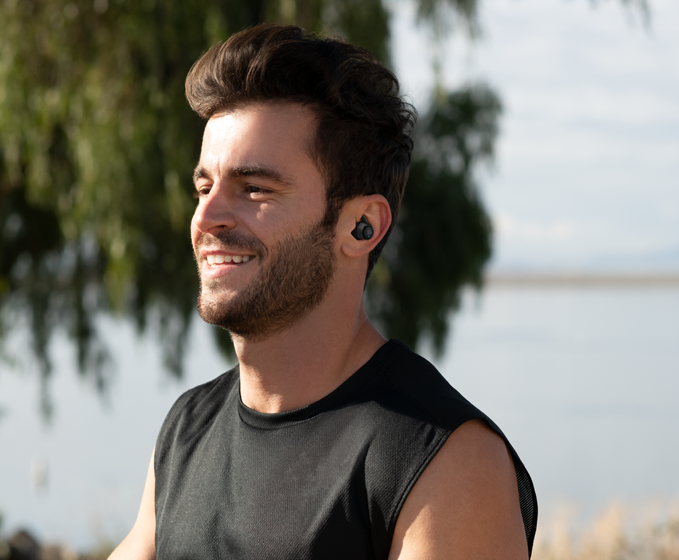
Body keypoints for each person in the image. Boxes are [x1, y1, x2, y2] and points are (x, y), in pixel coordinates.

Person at [109, 23, 537, 559]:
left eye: (254, 188)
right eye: (204, 187)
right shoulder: (186, 431)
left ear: (360, 226)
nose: (207, 216)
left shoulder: (444, 460)